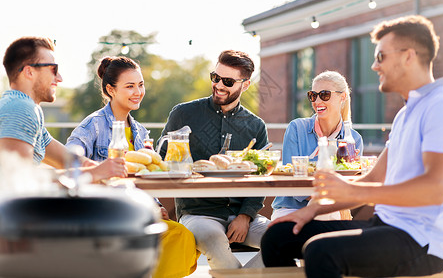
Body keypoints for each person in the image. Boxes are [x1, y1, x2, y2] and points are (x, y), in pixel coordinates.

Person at [261, 15, 443, 277]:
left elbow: (435, 190)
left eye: (381, 56)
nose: (374, 66)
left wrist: (351, 190)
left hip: (421, 241)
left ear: (408, 56)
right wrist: (311, 210)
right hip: (385, 225)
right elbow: (373, 178)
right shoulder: (406, 113)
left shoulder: (441, 107)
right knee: (277, 236)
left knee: (320, 252)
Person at [66, 56, 199, 278]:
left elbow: (146, 176)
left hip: (137, 213)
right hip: (105, 216)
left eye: (140, 84)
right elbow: (69, 158)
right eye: (129, 86)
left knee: (182, 237)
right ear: (111, 89)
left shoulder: (140, 131)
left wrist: (156, 204)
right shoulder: (94, 125)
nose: (138, 91)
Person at [157, 50, 270, 269]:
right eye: (215, 77)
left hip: (242, 214)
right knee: (216, 242)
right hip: (197, 213)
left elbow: (260, 179)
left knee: (282, 240)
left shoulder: (256, 126)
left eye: (227, 81)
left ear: (245, 85)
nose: (218, 85)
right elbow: (159, 160)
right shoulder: (183, 113)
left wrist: (246, 216)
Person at [0, 36, 126, 181]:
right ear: (29, 72)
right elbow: (16, 179)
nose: (59, 78)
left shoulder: (24, 107)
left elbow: (67, 160)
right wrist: (94, 173)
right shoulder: (20, 108)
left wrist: (104, 167)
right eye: (54, 69)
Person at [271, 71, 363, 221]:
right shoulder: (296, 128)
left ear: (343, 97)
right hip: (290, 209)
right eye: (313, 95)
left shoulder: (353, 140)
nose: (317, 101)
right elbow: (293, 183)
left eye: (324, 95)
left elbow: (349, 188)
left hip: (331, 209)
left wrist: (347, 169)